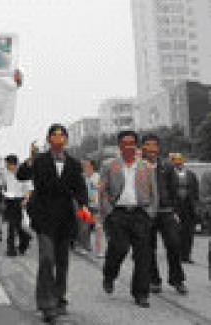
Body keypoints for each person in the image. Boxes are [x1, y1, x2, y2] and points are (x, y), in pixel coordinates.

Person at [17, 124, 89, 323]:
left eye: (62, 135)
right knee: (47, 259)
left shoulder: (74, 164)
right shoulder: (39, 160)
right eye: (54, 135)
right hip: (44, 217)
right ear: (48, 139)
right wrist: (30, 159)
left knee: (62, 261)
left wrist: (84, 206)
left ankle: (59, 298)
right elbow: (21, 175)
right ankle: (46, 304)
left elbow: (80, 188)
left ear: (66, 140)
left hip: (65, 218)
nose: (58, 138)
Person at [100, 129, 157, 308]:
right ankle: (110, 274)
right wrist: (108, 212)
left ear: (136, 145)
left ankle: (141, 293)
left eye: (132, 143)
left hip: (140, 213)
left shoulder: (146, 167)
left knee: (143, 255)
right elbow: (102, 191)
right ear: (119, 146)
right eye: (125, 144)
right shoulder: (109, 166)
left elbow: (154, 193)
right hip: (118, 213)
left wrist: (150, 213)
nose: (129, 147)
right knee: (119, 248)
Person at [141, 135, 187, 295]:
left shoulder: (167, 167)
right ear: (143, 148)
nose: (152, 148)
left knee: (174, 244)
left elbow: (174, 189)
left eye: (155, 145)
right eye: (148, 145)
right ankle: (154, 280)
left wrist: (175, 211)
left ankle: (177, 279)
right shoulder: (137, 166)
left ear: (158, 148)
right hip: (145, 212)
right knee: (148, 248)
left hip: (166, 212)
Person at [170, 153, 199, 263]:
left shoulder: (191, 174)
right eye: (176, 161)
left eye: (180, 161)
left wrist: (196, 206)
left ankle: (186, 256)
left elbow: (196, 191)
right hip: (175, 207)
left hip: (189, 207)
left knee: (188, 232)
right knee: (176, 233)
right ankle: (176, 256)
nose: (178, 163)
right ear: (172, 162)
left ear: (183, 161)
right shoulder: (169, 175)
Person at [2, 154, 31, 256]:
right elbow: (4, 186)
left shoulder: (23, 173)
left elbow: (29, 189)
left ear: (13, 164)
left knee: (15, 226)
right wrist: (4, 193)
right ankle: (14, 247)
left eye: (8, 164)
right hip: (9, 201)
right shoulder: (5, 173)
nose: (6, 166)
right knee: (13, 225)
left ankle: (14, 248)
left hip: (20, 201)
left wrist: (25, 200)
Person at [77, 159, 101, 255]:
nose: (85, 167)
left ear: (92, 167)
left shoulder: (98, 177)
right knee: (84, 227)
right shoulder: (82, 177)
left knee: (96, 227)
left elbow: (101, 189)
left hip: (96, 205)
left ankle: (97, 249)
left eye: (87, 165)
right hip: (85, 205)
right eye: (84, 165)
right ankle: (85, 246)